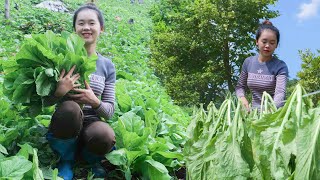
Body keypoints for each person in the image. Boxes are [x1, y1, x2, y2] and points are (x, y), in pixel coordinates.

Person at [44, 3, 116, 180]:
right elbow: (44, 104)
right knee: (71, 108)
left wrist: (95, 101)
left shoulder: (107, 65)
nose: (86, 27)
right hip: (66, 120)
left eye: (92, 23)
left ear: (101, 28)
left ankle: (88, 159)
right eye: (81, 23)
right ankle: (66, 159)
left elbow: (110, 112)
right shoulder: (62, 58)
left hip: (92, 120)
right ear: (74, 28)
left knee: (105, 135)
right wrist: (59, 92)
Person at [235, 20, 288, 111]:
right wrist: (242, 98)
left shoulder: (280, 66)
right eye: (264, 42)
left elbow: (280, 93)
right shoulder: (248, 62)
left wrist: (271, 112)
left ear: (276, 45)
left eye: (272, 43)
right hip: (252, 114)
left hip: (274, 114)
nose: (267, 46)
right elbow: (240, 87)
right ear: (257, 41)